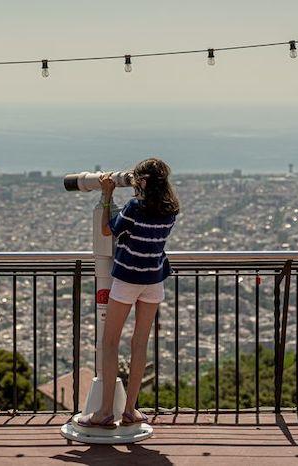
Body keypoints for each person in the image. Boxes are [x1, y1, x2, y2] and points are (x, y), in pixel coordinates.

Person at [77, 158, 179, 429]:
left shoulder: (136, 207)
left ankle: (105, 412)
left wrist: (107, 194)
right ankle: (131, 409)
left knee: (109, 343)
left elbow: (107, 229)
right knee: (139, 344)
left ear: (143, 182)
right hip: (154, 280)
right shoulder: (171, 209)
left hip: (128, 278)